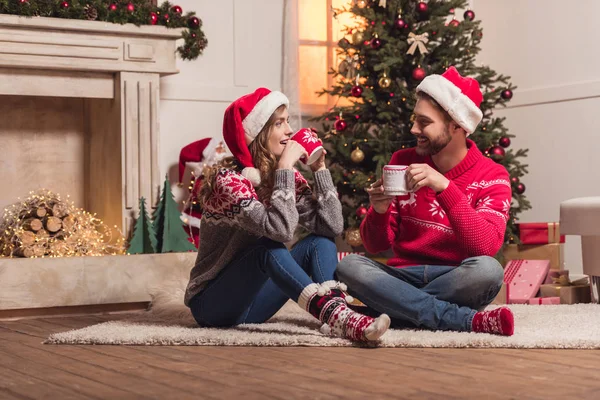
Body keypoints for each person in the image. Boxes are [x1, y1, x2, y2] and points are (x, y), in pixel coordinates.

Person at [184, 88, 390, 342]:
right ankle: (336, 314)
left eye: (288, 121)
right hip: (212, 305)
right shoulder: (230, 182)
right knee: (266, 249)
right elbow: (279, 231)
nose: (290, 131)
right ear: (259, 133)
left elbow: (331, 227)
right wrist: (284, 168)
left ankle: (339, 315)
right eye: (279, 123)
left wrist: (320, 170)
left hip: (254, 306)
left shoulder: (284, 177)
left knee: (319, 242)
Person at [336, 67, 515, 336]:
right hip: (403, 273)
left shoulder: (493, 176)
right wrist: (380, 210)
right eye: (415, 119)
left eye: (424, 122)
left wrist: (445, 187)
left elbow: (484, 247)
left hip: (455, 277)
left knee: (488, 271)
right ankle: (460, 319)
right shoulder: (402, 161)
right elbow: (375, 245)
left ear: (457, 125)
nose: (414, 128)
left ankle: (393, 307)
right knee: (348, 265)